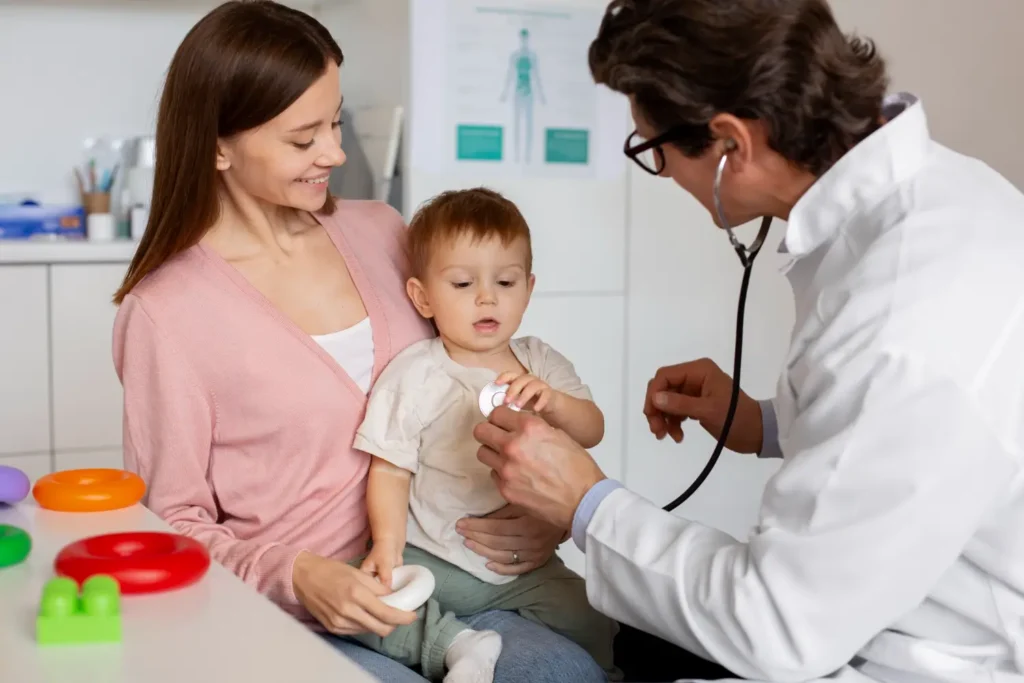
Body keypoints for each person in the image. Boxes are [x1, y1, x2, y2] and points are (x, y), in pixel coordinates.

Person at [472, 1, 1024, 682]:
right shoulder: (944, 198)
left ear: (731, 143)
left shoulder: (910, 311)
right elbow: (906, 440)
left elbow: (778, 626)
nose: (663, 172)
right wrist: (762, 422)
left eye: (653, 149)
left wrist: (585, 501)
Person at [109, 2, 606, 682]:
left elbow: (474, 385)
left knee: (562, 670)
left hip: (447, 572)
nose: (336, 154)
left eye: (335, 123)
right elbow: (172, 524)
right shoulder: (167, 313)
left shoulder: (384, 233)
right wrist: (296, 574)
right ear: (218, 145)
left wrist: (539, 511)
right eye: (303, 138)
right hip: (301, 612)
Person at [347, 188, 620, 682]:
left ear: (529, 289)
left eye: (505, 281)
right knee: (360, 601)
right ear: (422, 297)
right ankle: (456, 642)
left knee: (594, 617)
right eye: (463, 283)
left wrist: (555, 403)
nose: (487, 297)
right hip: (434, 558)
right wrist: (387, 546)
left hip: (525, 569)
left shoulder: (540, 363)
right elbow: (389, 468)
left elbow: (593, 430)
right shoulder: (416, 373)